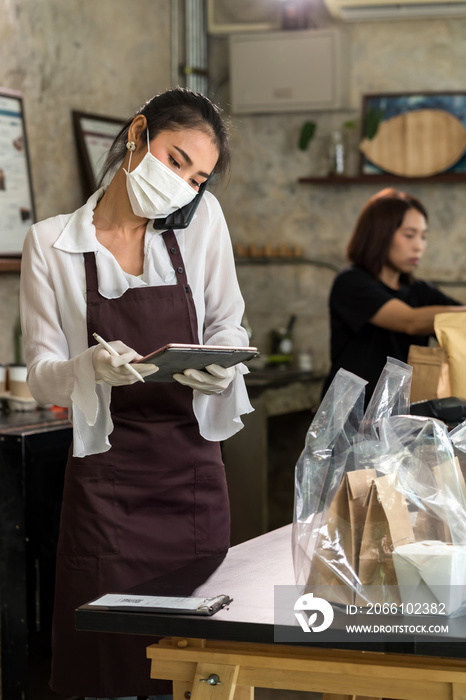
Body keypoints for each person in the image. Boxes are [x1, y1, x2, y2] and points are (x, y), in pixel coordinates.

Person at [20, 87, 253, 700]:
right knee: (110, 659)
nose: (185, 187)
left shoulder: (203, 225)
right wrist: (87, 368)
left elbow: (229, 321)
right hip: (107, 487)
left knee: (197, 659)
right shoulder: (50, 245)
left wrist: (221, 365)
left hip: (192, 478)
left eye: (199, 177)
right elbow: (40, 370)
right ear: (138, 135)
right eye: (176, 161)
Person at [322, 188, 466, 404]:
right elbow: (411, 321)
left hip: (399, 416)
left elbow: (459, 319)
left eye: (424, 237)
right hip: (350, 415)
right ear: (380, 234)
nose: (419, 246)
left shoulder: (421, 291)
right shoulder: (351, 282)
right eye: (409, 235)